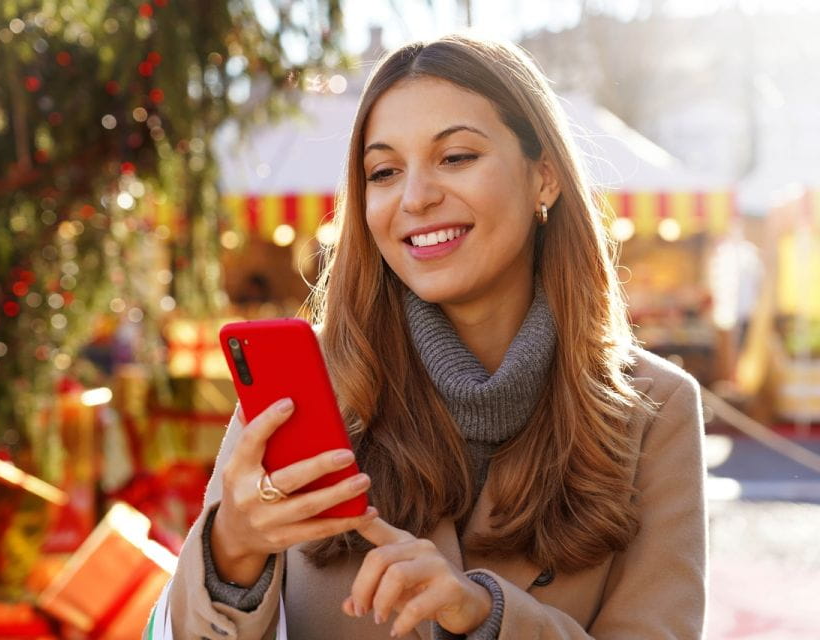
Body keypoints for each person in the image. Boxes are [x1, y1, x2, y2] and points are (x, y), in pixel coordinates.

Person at [149, 34, 707, 639]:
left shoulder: (655, 409)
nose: (415, 198)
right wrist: (231, 551)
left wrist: (484, 615)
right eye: (384, 172)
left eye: (456, 157)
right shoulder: (308, 386)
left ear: (544, 177)